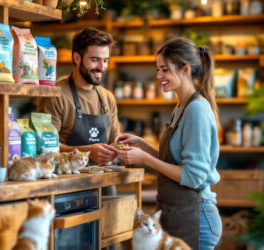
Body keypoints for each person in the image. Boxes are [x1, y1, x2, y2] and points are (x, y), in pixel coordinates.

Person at [115, 38, 222, 250]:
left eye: (164, 69)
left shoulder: (196, 110)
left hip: (197, 217)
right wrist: (143, 145)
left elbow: (193, 176)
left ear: (185, 69)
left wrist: (145, 159)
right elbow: (176, 161)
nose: (158, 76)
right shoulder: (181, 106)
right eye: (158, 69)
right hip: (180, 213)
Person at [37, 27, 120, 164]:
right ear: (77, 58)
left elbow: (115, 141)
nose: (101, 67)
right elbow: (46, 147)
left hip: (104, 181)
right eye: (95, 60)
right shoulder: (55, 94)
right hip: (70, 181)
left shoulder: (107, 97)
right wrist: (87, 151)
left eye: (105, 60)